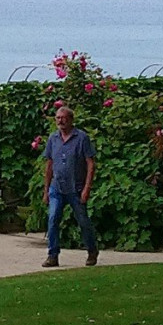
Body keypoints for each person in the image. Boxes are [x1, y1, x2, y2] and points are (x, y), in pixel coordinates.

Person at [42, 105, 98, 267]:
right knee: (53, 220)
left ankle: (92, 250)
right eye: (58, 118)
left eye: (63, 118)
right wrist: (46, 190)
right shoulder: (53, 139)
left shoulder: (81, 138)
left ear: (71, 119)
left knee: (83, 221)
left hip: (76, 188)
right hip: (57, 188)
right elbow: (49, 165)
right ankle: (53, 255)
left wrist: (87, 188)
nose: (60, 121)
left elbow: (90, 164)